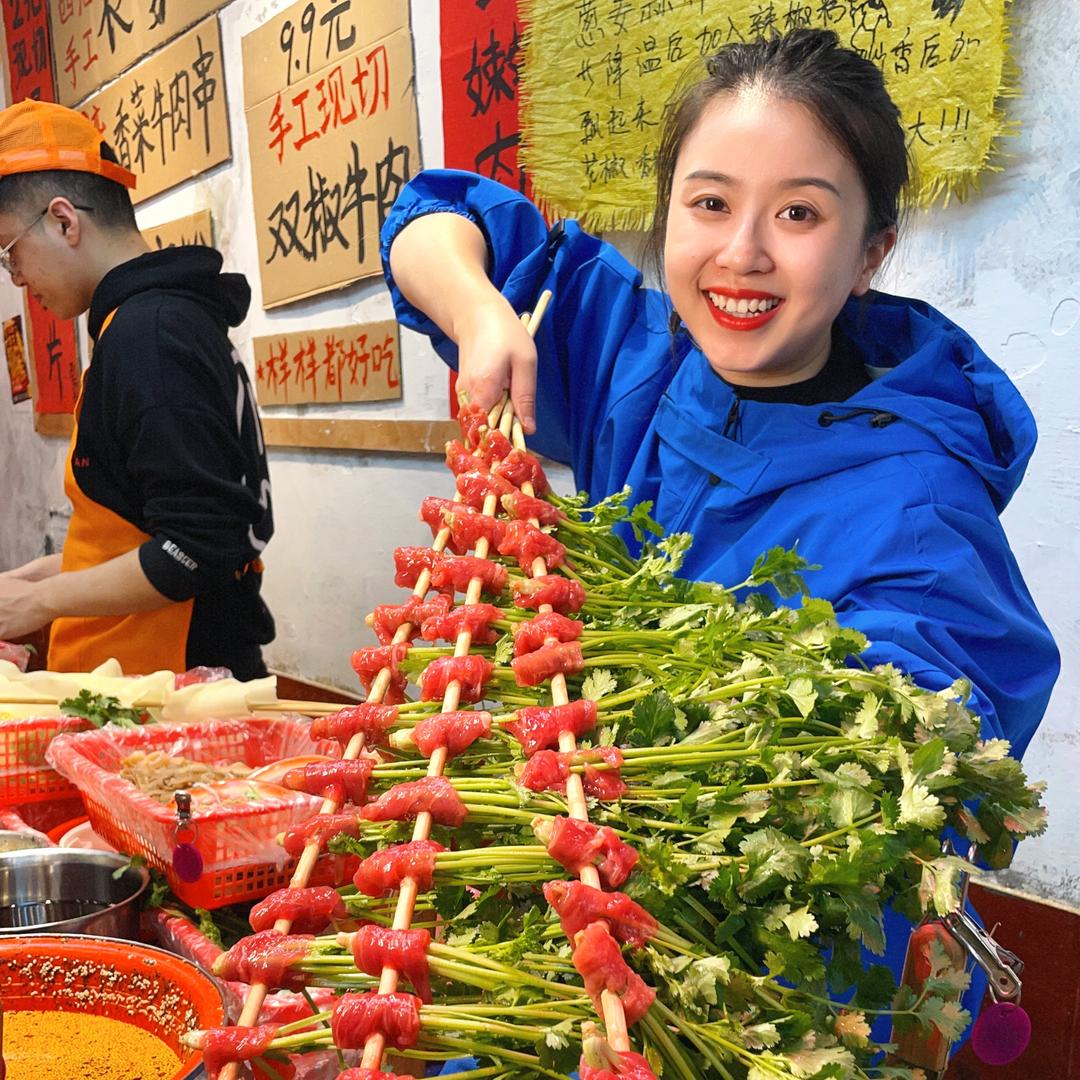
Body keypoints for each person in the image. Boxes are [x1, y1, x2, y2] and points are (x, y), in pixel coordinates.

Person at [381, 27, 1058, 1062]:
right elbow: (435, 216)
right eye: (709, 203)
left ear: (871, 249)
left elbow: (903, 752)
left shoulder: (918, 504)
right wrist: (482, 317)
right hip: (571, 919)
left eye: (799, 213)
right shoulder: (637, 356)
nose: (742, 253)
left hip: (766, 997)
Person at [0, 100, 274, 680]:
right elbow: (144, 530)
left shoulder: (149, 335)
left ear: (64, 221)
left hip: (178, 691)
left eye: (10, 251)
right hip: (142, 685)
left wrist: (37, 604)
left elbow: (196, 546)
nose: (17, 276)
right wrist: (37, 577)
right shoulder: (147, 322)